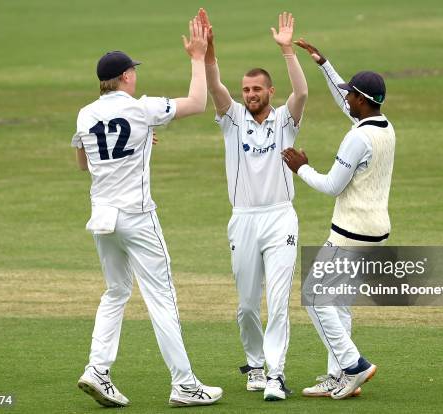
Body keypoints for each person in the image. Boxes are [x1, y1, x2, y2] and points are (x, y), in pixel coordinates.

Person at [71, 17, 222, 408]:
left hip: (103, 217)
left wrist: (140, 142)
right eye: (132, 72)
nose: (134, 77)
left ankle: (98, 369)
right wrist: (198, 57)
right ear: (124, 77)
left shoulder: (85, 115)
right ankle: (184, 385)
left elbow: (84, 163)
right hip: (137, 216)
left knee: (116, 291)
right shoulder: (142, 109)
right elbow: (199, 103)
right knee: (162, 297)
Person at [198, 8, 307, 401]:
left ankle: (276, 374)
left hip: (280, 218)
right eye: (245, 90)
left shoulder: (284, 121)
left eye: (256, 90)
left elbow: (303, 93)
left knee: (278, 301)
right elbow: (214, 89)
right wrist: (209, 54)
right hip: (243, 220)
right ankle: (255, 365)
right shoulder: (233, 120)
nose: (250, 95)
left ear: (269, 92)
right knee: (246, 305)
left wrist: (288, 51)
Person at [282, 38, 396, 400]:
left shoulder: (357, 140)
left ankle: (354, 365)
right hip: (375, 230)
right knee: (338, 303)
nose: (346, 98)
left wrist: (301, 169)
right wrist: (323, 64)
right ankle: (339, 376)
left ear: (363, 100)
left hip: (351, 231)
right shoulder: (383, 126)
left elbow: (332, 185)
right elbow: (345, 102)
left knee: (315, 297)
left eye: (351, 95)